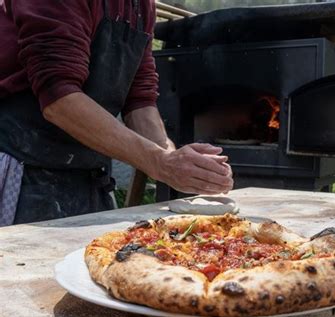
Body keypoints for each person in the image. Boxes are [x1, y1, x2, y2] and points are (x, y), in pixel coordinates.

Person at [0, 0, 233, 226]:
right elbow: (59, 100)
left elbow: (140, 100)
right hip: (22, 174)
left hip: (89, 179)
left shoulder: (141, 5)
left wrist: (180, 163)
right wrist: (160, 163)